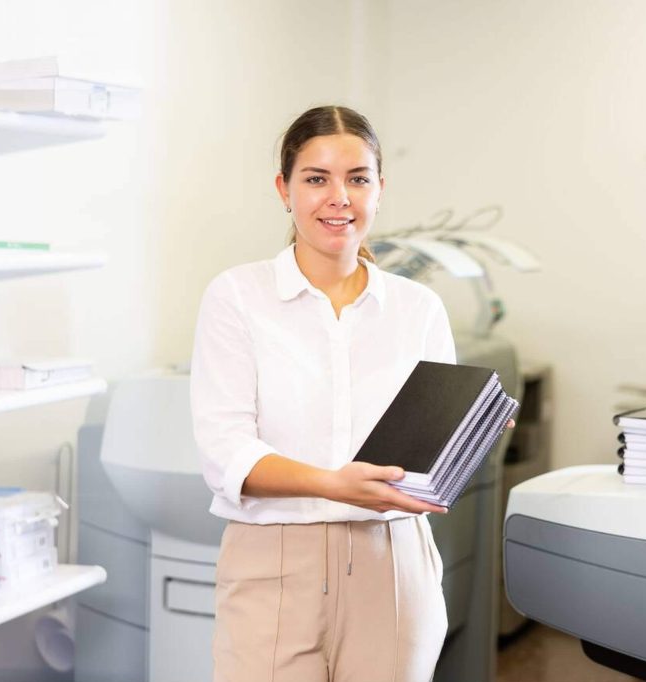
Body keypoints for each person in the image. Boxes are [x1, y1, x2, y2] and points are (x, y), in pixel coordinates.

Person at [191, 106, 465, 682]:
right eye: (317, 178)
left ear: (380, 189)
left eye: (358, 179)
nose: (339, 197)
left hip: (392, 561)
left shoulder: (418, 309)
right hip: (272, 560)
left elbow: (429, 463)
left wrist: (469, 433)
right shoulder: (237, 296)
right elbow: (224, 453)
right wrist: (332, 484)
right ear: (284, 189)